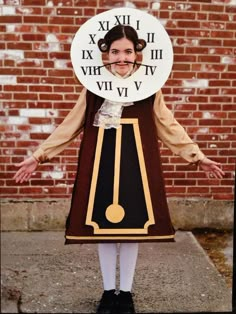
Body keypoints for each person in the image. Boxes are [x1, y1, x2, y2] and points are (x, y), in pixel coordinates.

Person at [14, 24, 225, 314]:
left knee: (130, 230)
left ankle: (125, 293)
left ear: (137, 53)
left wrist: (197, 156)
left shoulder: (151, 88)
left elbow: (169, 126)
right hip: (100, 164)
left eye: (128, 51)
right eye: (115, 51)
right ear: (106, 54)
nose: (122, 57)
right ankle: (107, 292)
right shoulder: (92, 87)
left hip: (135, 165)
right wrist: (39, 156)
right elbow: (70, 125)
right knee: (104, 230)